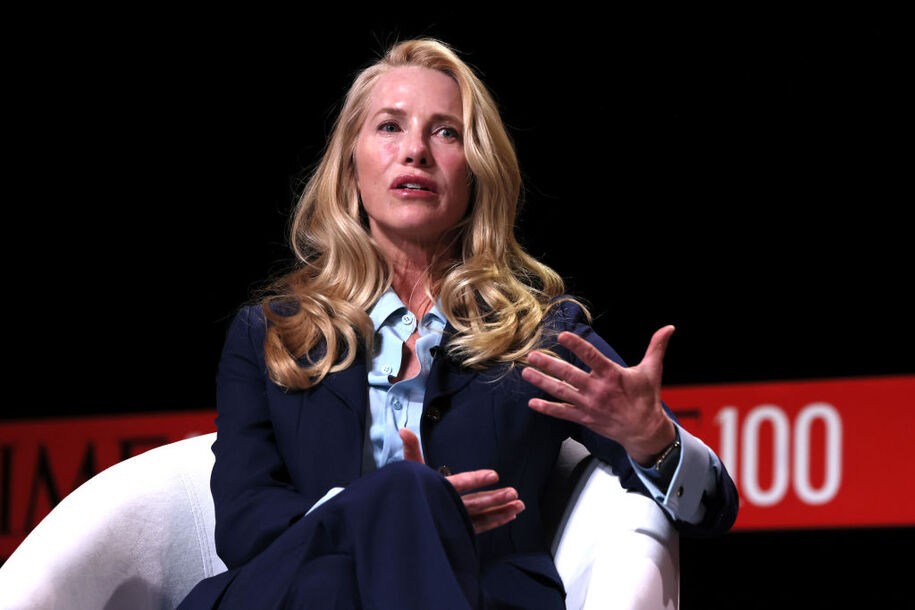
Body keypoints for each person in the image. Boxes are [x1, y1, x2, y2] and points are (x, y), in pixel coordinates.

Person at [178, 37, 738, 609]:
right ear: (351, 165)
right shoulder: (270, 335)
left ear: (475, 172)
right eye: (390, 127)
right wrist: (397, 508)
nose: (415, 150)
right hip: (299, 593)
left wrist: (653, 440)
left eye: (445, 132)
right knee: (342, 567)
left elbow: (710, 510)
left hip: (475, 595)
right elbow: (245, 525)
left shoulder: (537, 336)